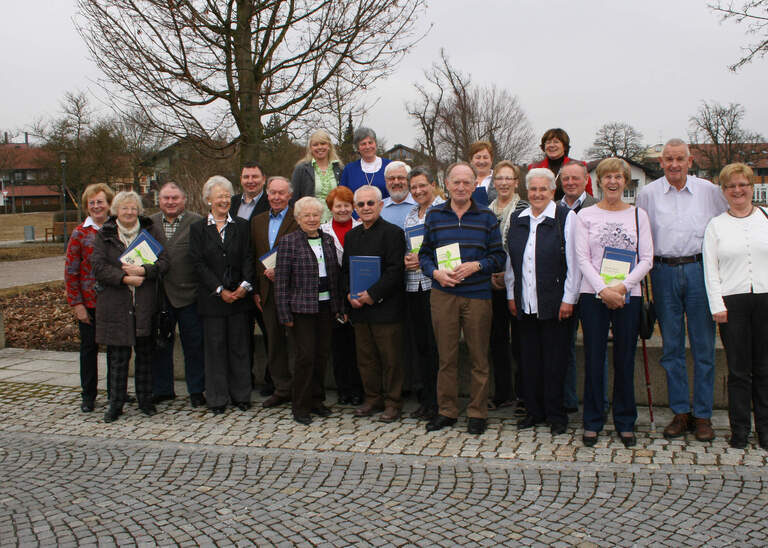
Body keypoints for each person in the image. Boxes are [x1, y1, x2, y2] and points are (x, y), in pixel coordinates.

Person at [636, 138, 728, 442]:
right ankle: (680, 412)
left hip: (699, 269)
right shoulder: (648, 194)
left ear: (690, 161)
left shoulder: (709, 192)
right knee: (672, 346)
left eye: (680, 159)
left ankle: (702, 415)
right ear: (660, 163)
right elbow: (641, 234)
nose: (674, 164)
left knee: (704, 346)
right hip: (663, 272)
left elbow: (724, 226)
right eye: (668, 159)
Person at [419, 162, 506, 435]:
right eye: (456, 182)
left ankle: (477, 413)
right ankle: (446, 411)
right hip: (443, 294)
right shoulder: (434, 215)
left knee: (479, 357)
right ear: (446, 184)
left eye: (466, 182)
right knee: (447, 357)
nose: (460, 187)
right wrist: (435, 273)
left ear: (473, 185)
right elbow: (423, 255)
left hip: (478, 295)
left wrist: (476, 266)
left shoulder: (486, 216)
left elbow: (499, 256)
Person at [574, 158, 653, 447]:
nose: (612, 182)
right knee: (594, 359)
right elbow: (582, 258)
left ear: (625, 181)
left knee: (624, 359)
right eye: (606, 177)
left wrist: (621, 287)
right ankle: (593, 420)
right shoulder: (586, 215)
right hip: (593, 295)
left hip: (627, 295)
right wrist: (603, 290)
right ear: (599, 182)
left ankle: (625, 420)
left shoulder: (637, 215)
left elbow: (647, 259)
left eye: (618, 177)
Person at [504, 168, 579, 436]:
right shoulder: (518, 218)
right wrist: (511, 295)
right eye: (533, 189)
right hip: (525, 303)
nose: (537, 194)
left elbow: (574, 263)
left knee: (555, 362)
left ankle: (556, 414)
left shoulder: (564, 218)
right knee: (529, 362)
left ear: (552, 191)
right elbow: (512, 260)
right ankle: (534, 412)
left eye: (543, 189)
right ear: (527, 191)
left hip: (555, 302)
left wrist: (569, 299)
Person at [702, 163, 768, 449]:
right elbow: (711, 269)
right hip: (732, 301)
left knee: (764, 369)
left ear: (751, 187)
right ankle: (740, 429)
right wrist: (718, 304)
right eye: (731, 186)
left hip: (765, 298)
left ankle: (765, 429)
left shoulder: (766, 218)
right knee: (739, 370)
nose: (738, 191)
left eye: (743, 185)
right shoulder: (716, 225)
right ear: (724, 191)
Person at [92, 190, 169, 422]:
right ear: (116, 210)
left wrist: (145, 271)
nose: (129, 212)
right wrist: (124, 278)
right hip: (116, 304)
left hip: (145, 303)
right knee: (118, 358)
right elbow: (97, 265)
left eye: (133, 208)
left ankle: (145, 400)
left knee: (145, 355)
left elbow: (165, 262)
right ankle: (115, 403)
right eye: (124, 208)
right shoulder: (105, 233)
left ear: (139, 210)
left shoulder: (150, 231)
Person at [275, 197, 344, 425]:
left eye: (316, 215)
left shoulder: (327, 240)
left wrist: (338, 307)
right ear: (298, 219)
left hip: (325, 307)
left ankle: (317, 400)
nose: (312, 219)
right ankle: (300, 405)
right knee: (305, 357)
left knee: (322, 355)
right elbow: (282, 282)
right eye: (307, 215)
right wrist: (284, 314)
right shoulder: (288, 242)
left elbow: (334, 276)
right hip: (301, 309)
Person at [189, 176, 255, 414]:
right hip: (212, 299)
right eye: (219, 197)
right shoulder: (198, 228)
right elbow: (197, 264)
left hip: (239, 297)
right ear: (208, 200)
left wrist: (244, 286)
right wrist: (219, 290)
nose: (224, 201)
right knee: (215, 349)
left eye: (227, 196)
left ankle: (241, 395)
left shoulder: (241, 225)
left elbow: (248, 257)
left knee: (239, 348)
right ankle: (217, 398)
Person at [341, 185, 406, 422]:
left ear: (380, 205)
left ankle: (393, 402)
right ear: (355, 209)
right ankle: (373, 398)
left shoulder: (393, 233)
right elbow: (346, 270)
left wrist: (372, 294)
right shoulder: (351, 236)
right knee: (366, 358)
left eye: (371, 203)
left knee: (390, 359)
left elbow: (395, 271)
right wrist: (349, 294)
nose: (366, 208)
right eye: (361, 204)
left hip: (385, 308)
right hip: (359, 308)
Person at [149, 182, 205, 408]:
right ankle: (162, 389)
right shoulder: (149, 224)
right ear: (159, 201)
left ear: (184, 200)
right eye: (166, 198)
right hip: (160, 296)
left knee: (194, 345)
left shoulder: (197, 222)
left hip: (190, 295)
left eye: (175, 198)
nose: (170, 202)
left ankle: (196, 390)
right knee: (161, 344)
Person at [65, 183, 115, 413]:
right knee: (89, 351)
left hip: (115, 300)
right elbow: (71, 271)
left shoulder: (117, 228)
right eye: (92, 203)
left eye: (100, 202)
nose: (96, 206)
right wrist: (77, 304)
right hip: (89, 302)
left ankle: (117, 393)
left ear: (108, 204)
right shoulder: (79, 233)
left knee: (117, 351)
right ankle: (89, 395)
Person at [251, 177, 299, 408]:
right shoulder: (257, 221)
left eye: (281, 193)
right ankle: (282, 388)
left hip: (295, 291)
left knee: (299, 343)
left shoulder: (299, 219)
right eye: (273, 193)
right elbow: (253, 257)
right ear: (267, 194)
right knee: (275, 343)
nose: (277, 197)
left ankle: (301, 388)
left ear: (290, 195)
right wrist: (255, 291)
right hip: (267, 293)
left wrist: (283, 272)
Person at [403, 167, 444, 420]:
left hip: (435, 285)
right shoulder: (409, 215)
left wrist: (426, 260)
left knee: (437, 346)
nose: (418, 191)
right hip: (413, 285)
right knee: (421, 346)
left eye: (422, 185)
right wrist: (407, 259)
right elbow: (407, 246)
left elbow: (451, 248)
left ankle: (440, 401)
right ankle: (426, 399)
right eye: (413, 187)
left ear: (433, 183)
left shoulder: (443, 211)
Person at [558, 162, 599, 413]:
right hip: (567, 288)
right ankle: (568, 401)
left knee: (596, 349)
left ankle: (598, 404)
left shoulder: (597, 207)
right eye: (566, 179)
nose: (570, 182)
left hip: (595, 287)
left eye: (575, 178)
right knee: (566, 347)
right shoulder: (555, 209)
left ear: (586, 180)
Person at [488, 161, 528, 410]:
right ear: (494, 183)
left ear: (516, 182)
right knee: (497, 340)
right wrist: (492, 273)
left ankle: (524, 394)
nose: (503, 183)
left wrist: (508, 274)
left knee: (522, 341)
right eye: (499, 178)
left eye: (508, 178)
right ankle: (503, 393)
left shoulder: (523, 209)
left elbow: (525, 247)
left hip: (519, 283)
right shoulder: (486, 211)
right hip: (491, 284)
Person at [320, 186, 364, 406]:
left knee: (358, 346)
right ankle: (343, 389)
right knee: (338, 346)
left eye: (347, 205)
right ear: (331, 208)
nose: (343, 209)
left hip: (357, 293)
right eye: (338, 205)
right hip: (332, 296)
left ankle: (358, 389)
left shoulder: (361, 227)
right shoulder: (322, 231)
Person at [229, 161, 270, 394]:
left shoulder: (270, 202)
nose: (250, 181)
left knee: (270, 333)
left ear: (263, 179)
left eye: (255, 176)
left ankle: (271, 380)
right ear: (241, 179)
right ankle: (244, 380)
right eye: (246, 177)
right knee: (241, 336)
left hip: (262, 276)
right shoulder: (232, 203)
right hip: (237, 279)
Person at [290, 129, 343, 221]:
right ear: (310, 148)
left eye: (323, 144)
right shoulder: (301, 169)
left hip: (335, 221)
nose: (319, 147)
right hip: (310, 221)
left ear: (329, 146)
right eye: (315, 145)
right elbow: (293, 199)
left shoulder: (339, 168)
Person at [528, 128, 592, 199]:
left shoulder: (580, 166)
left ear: (564, 146)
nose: (551, 145)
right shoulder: (534, 168)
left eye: (556, 142)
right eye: (548, 142)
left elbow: (588, 196)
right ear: (543, 147)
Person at [339, 127, 391, 199]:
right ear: (357, 148)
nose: (367, 147)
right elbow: (342, 196)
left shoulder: (389, 166)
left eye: (370, 142)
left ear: (375, 144)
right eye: (363, 144)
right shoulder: (349, 169)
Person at [380, 161, 416, 228]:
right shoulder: (378, 208)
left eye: (401, 178)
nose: (396, 182)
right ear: (386, 181)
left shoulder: (422, 205)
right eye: (391, 178)